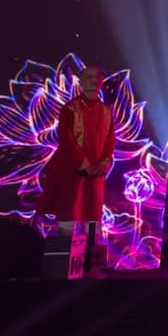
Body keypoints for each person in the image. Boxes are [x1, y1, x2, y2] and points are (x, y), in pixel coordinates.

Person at [37, 66, 115, 262]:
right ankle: (65, 263)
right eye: (88, 77)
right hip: (72, 171)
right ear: (80, 82)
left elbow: (110, 141)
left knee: (92, 215)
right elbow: (67, 140)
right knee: (69, 213)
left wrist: (103, 163)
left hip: (96, 174)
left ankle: (90, 263)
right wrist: (85, 164)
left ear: (101, 82)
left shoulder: (106, 111)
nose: (93, 80)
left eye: (97, 77)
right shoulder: (70, 108)